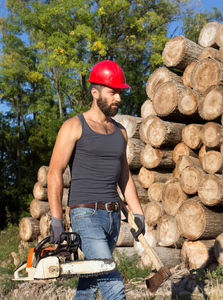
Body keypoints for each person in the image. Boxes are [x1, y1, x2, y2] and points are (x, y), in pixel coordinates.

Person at [47, 60, 145, 300]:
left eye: (120, 92)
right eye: (113, 92)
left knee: (89, 285)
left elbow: (124, 176)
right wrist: (56, 219)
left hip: (113, 217)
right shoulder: (73, 126)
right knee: (112, 284)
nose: (118, 98)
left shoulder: (120, 131)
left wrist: (138, 212)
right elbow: (54, 172)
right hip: (85, 215)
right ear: (95, 92)